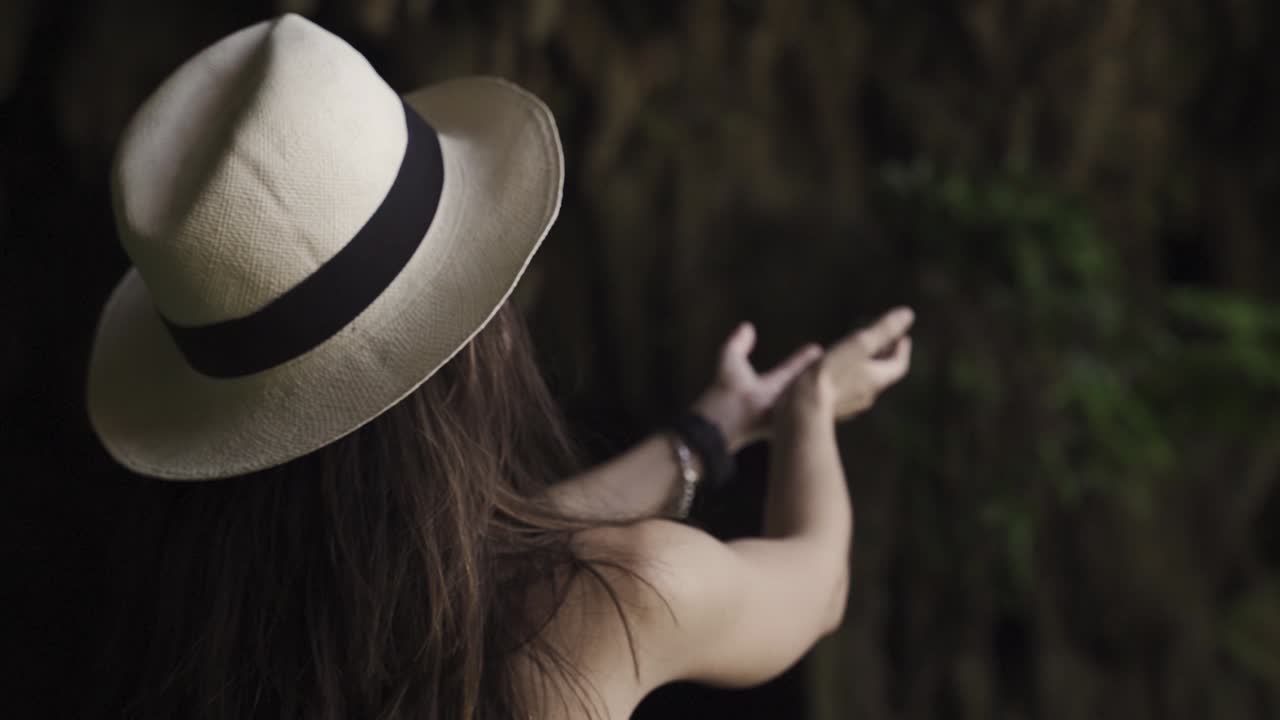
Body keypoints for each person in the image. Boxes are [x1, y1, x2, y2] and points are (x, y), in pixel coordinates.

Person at [83, 13, 914, 720]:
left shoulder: (223, 639)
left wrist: (710, 431)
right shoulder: (615, 605)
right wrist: (810, 409)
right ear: (472, 347)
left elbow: (478, 549)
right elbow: (816, 582)